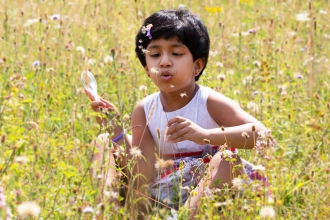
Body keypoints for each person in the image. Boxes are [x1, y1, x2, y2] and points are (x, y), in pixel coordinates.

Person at [84, 9, 268, 216]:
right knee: (103, 141)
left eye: (176, 53)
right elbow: (142, 174)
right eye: (154, 54)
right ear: (146, 67)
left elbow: (263, 135)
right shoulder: (144, 109)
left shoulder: (208, 101)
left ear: (197, 66)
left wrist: (204, 136)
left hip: (212, 191)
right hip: (163, 190)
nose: (164, 61)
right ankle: (107, 211)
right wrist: (116, 131)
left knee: (226, 158)